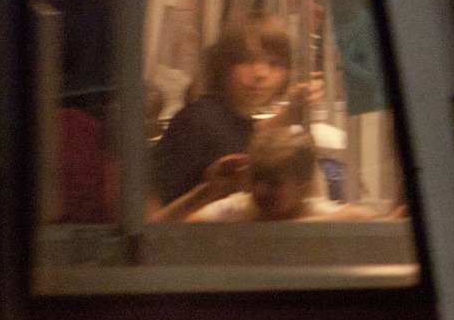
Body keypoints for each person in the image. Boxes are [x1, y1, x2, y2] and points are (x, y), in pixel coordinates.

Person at [150, 16, 304, 209]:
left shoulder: (238, 119)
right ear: (225, 65)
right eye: (247, 60)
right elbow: (154, 214)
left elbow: (251, 131)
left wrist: (294, 110)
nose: (260, 74)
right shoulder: (197, 120)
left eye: (273, 63)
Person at [154, 127, 371, 224]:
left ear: (304, 188)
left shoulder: (312, 210)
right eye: (257, 178)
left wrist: (281, 231)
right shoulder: (239, 208)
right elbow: (168, 228)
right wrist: (207, 191)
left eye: (274, 182)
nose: (260, 190)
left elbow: (361, 216)